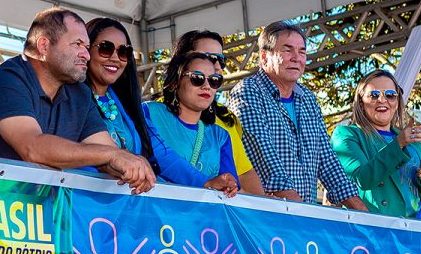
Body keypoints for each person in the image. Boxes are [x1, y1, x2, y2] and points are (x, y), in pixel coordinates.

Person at [0, 7, 155, 192]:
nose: (86, 55)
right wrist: (113, 155)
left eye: (87, 47)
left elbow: (106, 154)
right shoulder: (8, 80)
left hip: (32, 211)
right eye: (78, 44)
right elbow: (32, 148)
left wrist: (130, 166)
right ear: (44, 46)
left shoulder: (79, 93)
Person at [229, 21, 367, 209]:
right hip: (263, 216)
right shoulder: (248, 92)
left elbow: (328, 163)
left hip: (300, 215)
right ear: (264, 57)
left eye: (302, 52)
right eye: (287, 50)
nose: (296, 58)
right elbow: (266, 161)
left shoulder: (308, 99)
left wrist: (365, 216)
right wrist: (301, 214)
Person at [330, 70, 421, 218]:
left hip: (419, 226)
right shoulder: (346, 134)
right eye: (374, 95)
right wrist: (398, 143)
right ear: (361, 102)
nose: (382, 100)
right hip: (379, 226)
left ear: (397, 102)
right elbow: (362, 179)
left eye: (390, 95)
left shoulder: (411, 140)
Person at [170, 31, 264, 196]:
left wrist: (262, 204)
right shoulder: (154, 112)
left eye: (221, 60)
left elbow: (244, 174)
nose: (218, 66)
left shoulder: (226, 119)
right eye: (208, 57)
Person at [143, 50, 239, 194]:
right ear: (175, 82)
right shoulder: (149, 112)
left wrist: (230, 185)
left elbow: (230, 185)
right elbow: (160, 156)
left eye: (214, 80)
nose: (207, 86)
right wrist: (205, 182)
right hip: (154, 206)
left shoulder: (220, 136)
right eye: (197, 78)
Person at [83, 17, 159, 167]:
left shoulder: (129, 104)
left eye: (124, 52)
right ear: (86, 49)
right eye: (106, 48)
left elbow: (161, 151)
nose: (115, 58)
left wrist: (202, 180)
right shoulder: (70, 100)